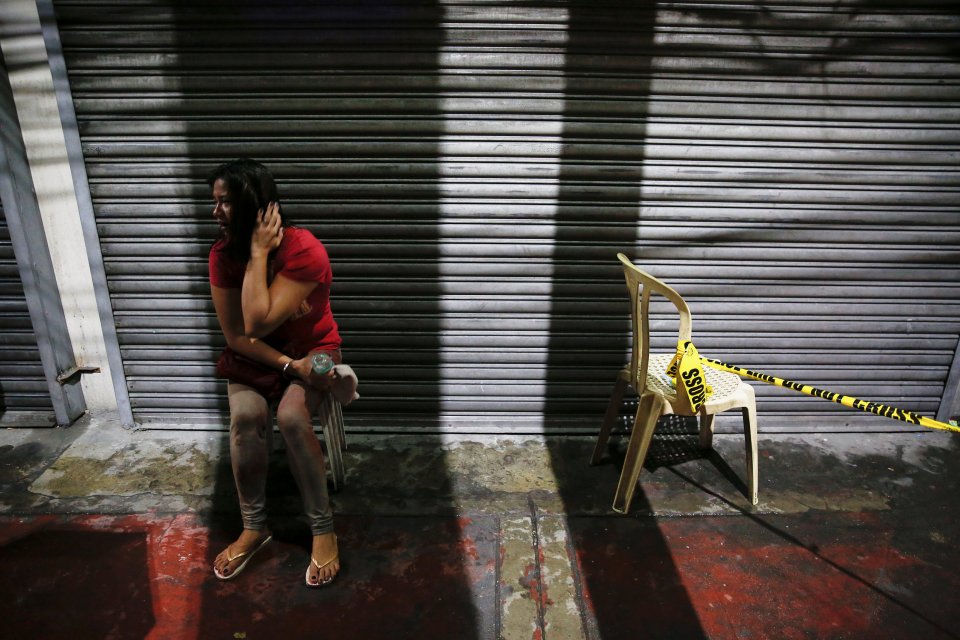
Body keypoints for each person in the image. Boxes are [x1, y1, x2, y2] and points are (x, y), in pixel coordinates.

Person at [207, 158, 341, 587]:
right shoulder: (223, 256)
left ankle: (323, 528)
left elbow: (257, 321)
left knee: (291, 417)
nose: (216, 212)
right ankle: (254, 525)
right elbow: (239, 335)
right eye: (215, 203)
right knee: (246, 419)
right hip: (258, 357)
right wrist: (254, 254)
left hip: (318, 351)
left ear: (254, 206)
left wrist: (262, 251)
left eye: (226, 203)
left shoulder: (304, 250)